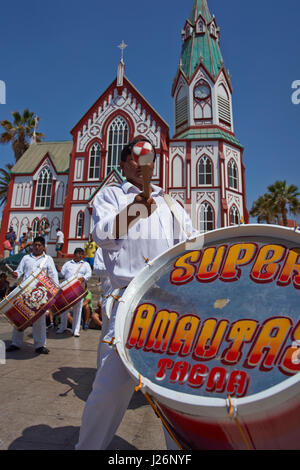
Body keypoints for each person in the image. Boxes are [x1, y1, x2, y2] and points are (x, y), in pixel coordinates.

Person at [76, 137, 197, 450]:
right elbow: (102, 236)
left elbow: (192, 245)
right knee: (110, 389)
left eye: (150, 158)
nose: (144, 163)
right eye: (137, 156)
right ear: (124, 162)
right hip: (128, 302)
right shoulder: (111, 196)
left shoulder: (171, 203)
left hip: (170, 305)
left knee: (176, 391)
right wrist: (136, 211)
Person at [6, 236, 59, 354]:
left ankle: (40, 345)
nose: (36, 247)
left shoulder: (48, 259)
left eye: (39, 245)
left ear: (43, 247)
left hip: (40, 294)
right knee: (20, 317)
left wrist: (55, 291)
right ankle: (15, 343)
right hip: (25, 291)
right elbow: (19, 271)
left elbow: (53, 275)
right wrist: (16, 274)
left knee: (39, 320)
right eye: (35, 245)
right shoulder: (26, 258)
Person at [56, 248, 92, 337]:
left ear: (83, 255)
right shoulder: (67, 264)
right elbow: (61, 275)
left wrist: (83, 278)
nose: (78, 255)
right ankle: (62, 327)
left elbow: (89, 273)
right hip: (67, 289)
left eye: (81, 254)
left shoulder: (86, 264)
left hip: (78, 289)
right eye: (77, 253)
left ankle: (75, 329)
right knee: (64, 309)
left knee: (78, 309)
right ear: (74, 254)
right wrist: (58, 270)